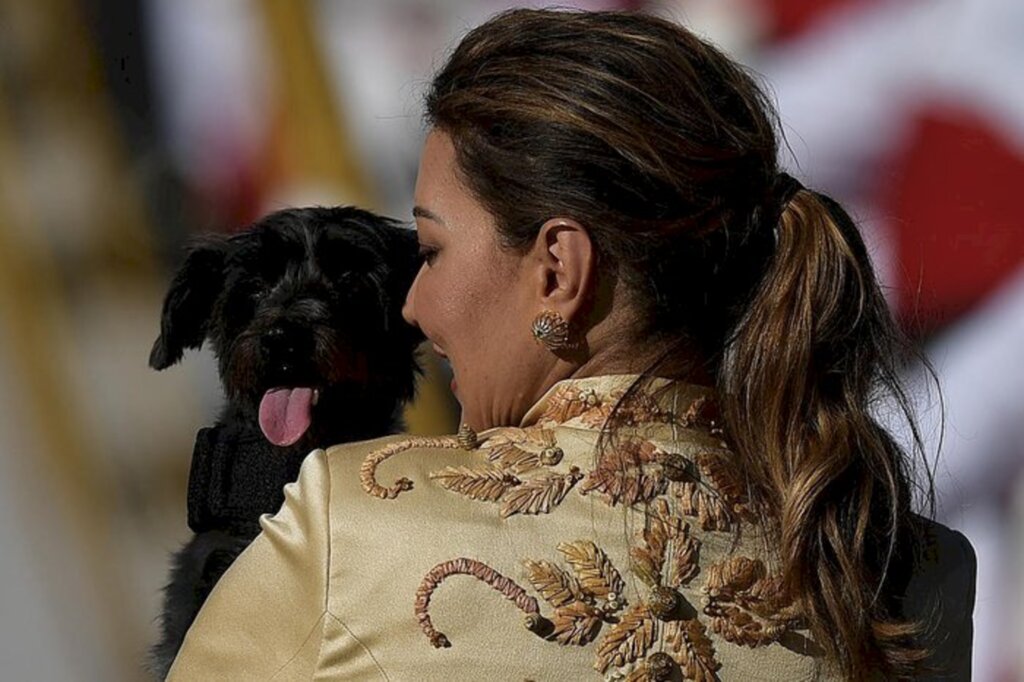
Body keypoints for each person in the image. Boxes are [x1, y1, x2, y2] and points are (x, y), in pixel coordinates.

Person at [166, 9, 975, 681]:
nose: (412, 305)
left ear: (558, 270)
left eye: (434, 252)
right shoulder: (911, 570)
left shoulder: (347, 522)